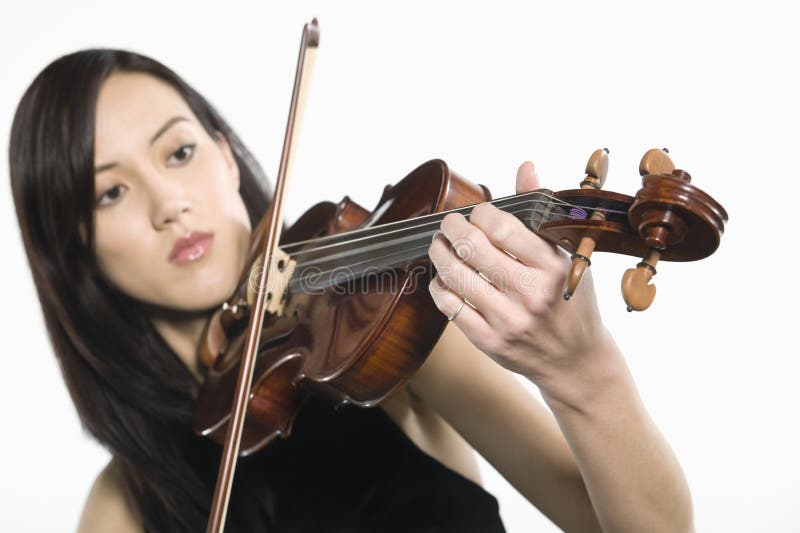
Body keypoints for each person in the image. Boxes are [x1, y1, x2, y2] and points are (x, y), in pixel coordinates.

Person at [9, 49, 692, 533]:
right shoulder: (123, 510)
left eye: (179, 152)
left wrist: (584, 373)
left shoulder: (376, 338)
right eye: (111, 191)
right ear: (75, 248)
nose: (169, 204)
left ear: (223, 153)